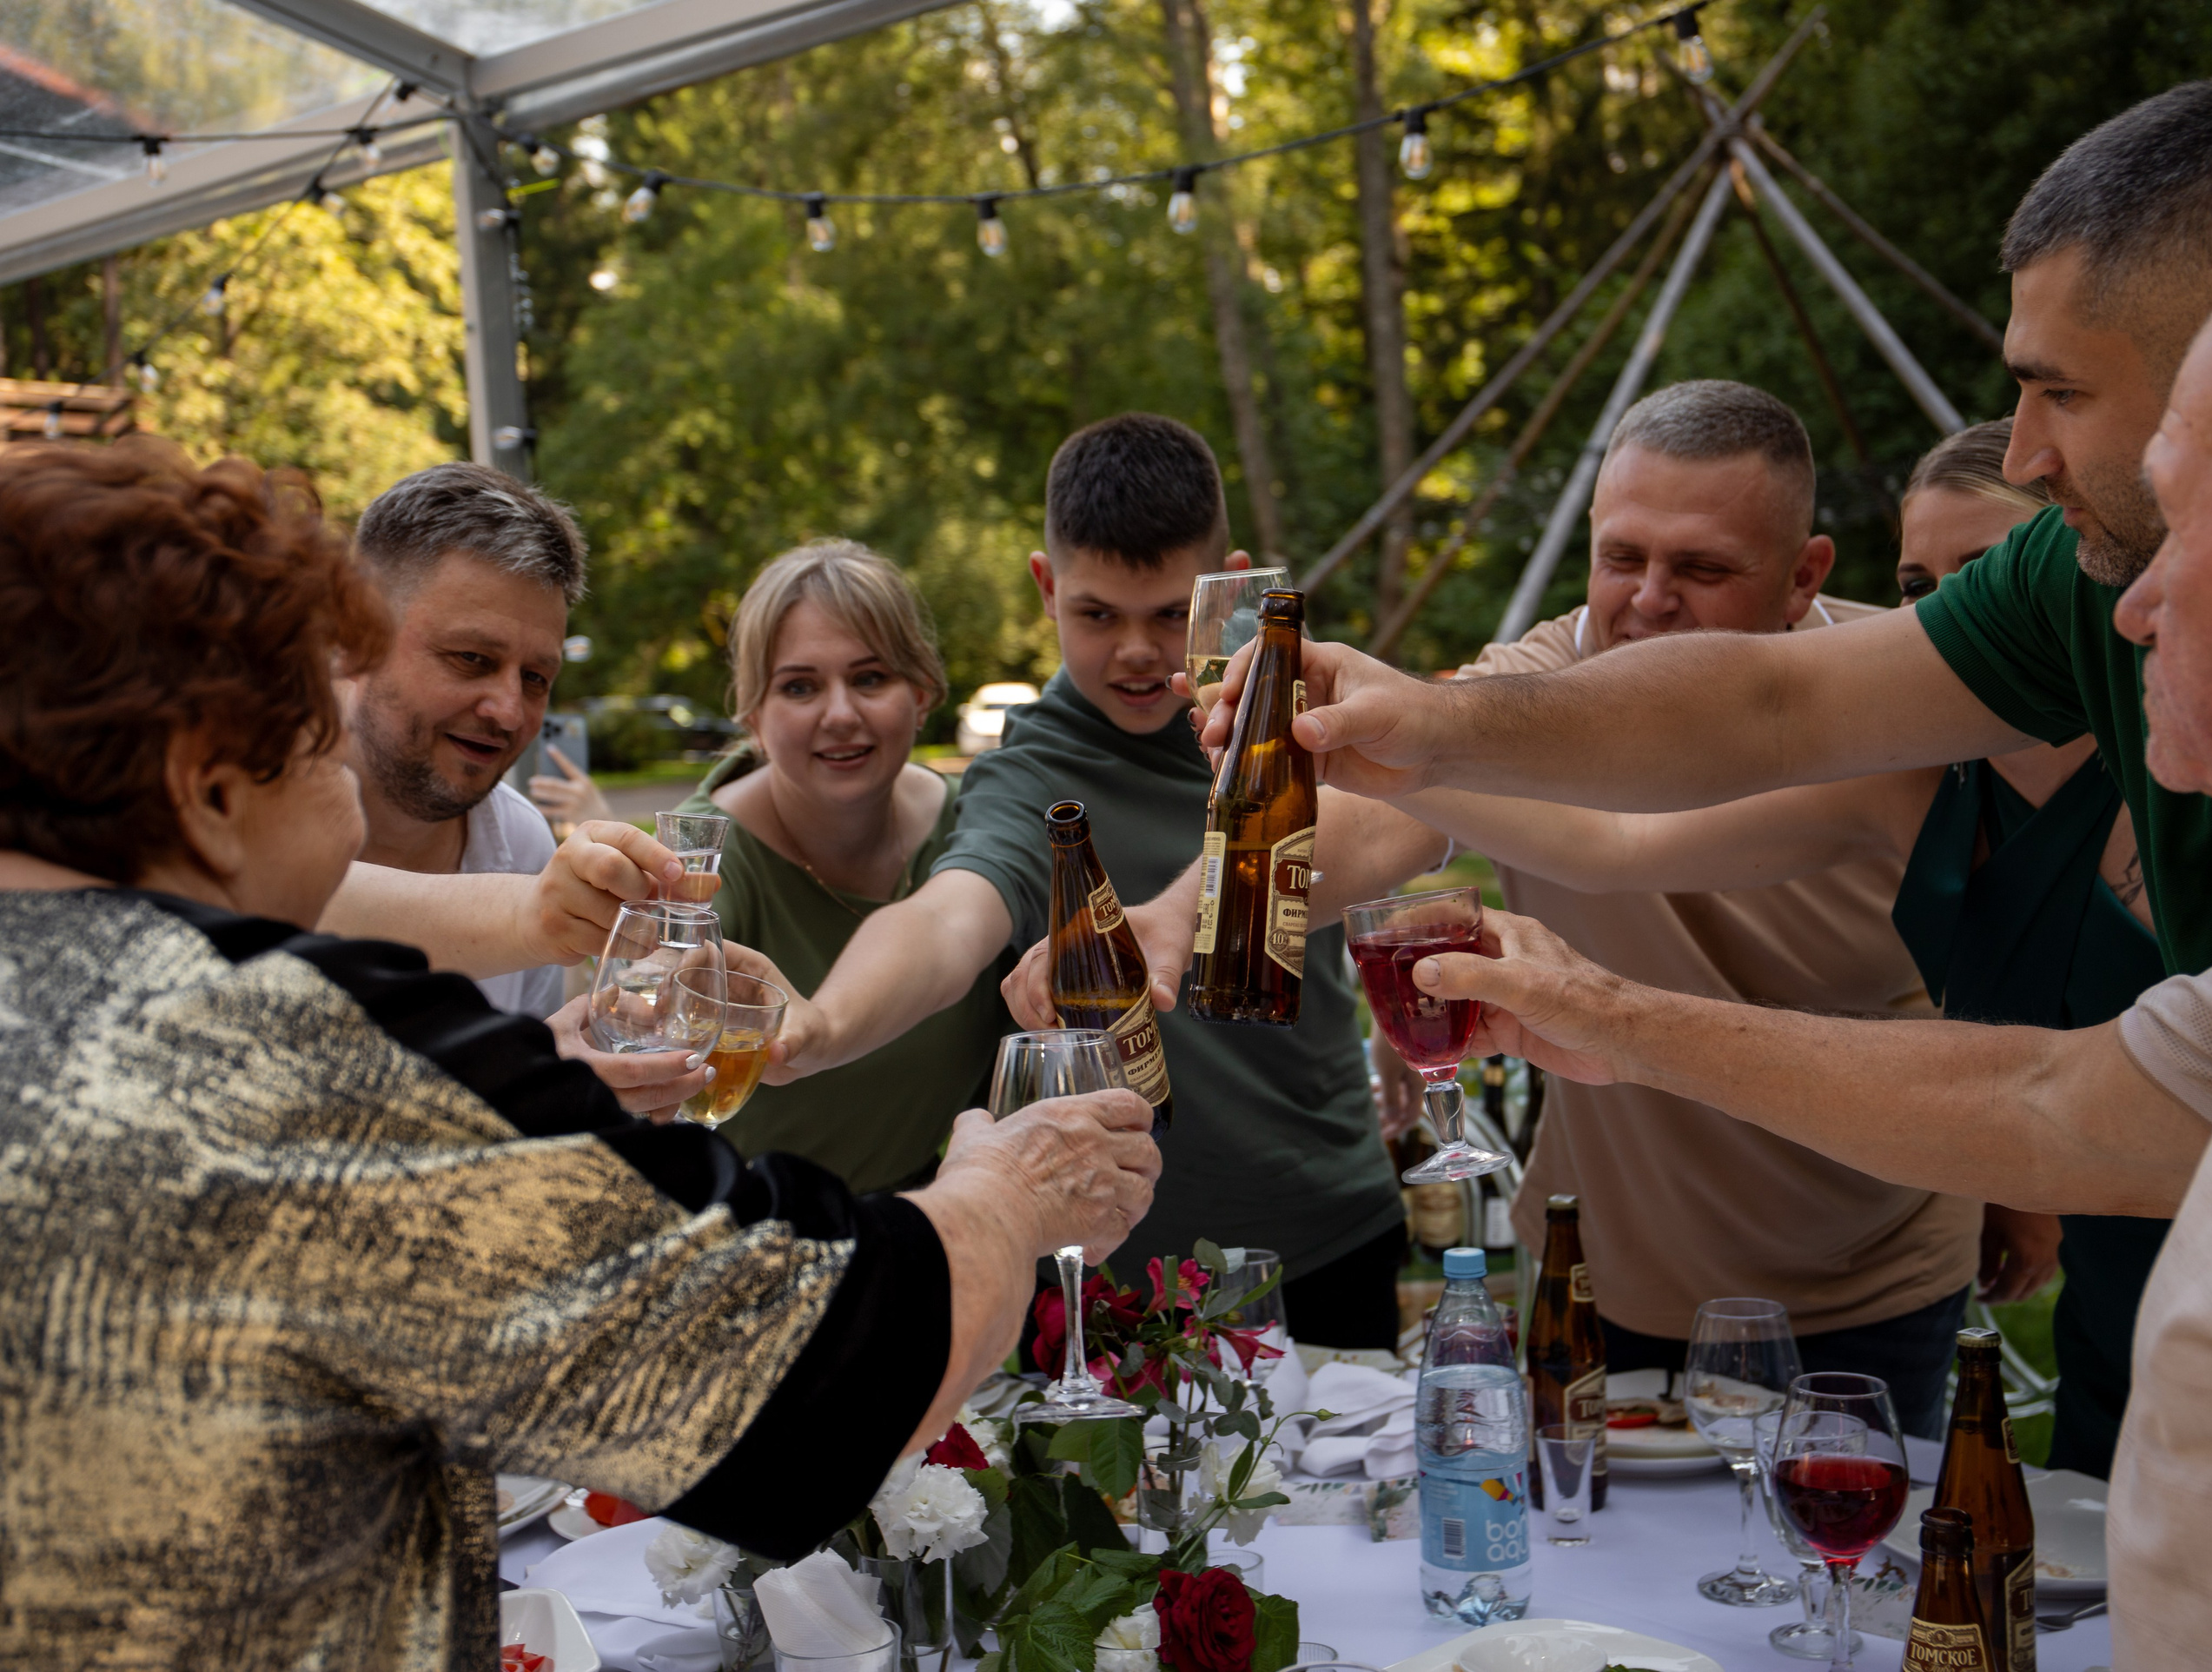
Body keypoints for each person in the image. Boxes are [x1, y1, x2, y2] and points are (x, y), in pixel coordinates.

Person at [0, 438, 1161, 1666]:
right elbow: (800, 1384)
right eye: (306, 726)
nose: (340, 770)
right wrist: (1007, 1196)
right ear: (204, 786)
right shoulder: (288, 1051)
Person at [1375, 293, 2212, 1664]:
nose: (2023, 451)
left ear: (1799, 577)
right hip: (2091, 1307)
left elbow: (2065, 1097)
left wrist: (1434, 759)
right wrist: (1396, 751)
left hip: (1892, 1274)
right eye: (1919, 591)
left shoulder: (2106, 736)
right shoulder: (1889, 771)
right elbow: (1610, 831)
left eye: (2056, 398)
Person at [1210, 78, 2212, 992]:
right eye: (1622, 556)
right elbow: (1757, 711)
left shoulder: (1964, 715)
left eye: (2063, 391)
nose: (2023, 453)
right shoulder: (2066, 585)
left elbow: (2101, 1107)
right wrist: (1427, 735)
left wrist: (1613, 1024)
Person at [752, 415, 1446, 1346]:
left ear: (1227, 582)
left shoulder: (1301, 714)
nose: (1135, 651)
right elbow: (948, 919)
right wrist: (822, 1023)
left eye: (1168, 613)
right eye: (1096, 614)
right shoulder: (1028, 776)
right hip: (1121, 1276)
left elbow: (1416, 824)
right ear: (1045, 588)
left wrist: (1392, 999)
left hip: (1331, 1225)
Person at [1376, 379, 1987, 1436]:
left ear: (1804, 577)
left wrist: (2018, 1182)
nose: (1649, 599)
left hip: (1866, 1282)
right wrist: (1172, 916)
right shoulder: (1542, 682)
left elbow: (2010, 956)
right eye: (1622, 558)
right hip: (1604, 1276)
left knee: (1857, 1583)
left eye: (1701, 568)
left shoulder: (1903, 696)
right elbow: (1377, 830)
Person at [671, 540, 1010, 1193]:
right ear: (754, 717)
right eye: (799, 686)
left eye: (870, 678)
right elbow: (650, 1003)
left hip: (918, 1223)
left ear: (923, 691)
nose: (841, 714)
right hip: (745, 1236)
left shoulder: (975, 827)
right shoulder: (708, 856)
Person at [344, 461, 591, 1018]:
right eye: (471, 659)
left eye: (536, 678)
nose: (508, 712)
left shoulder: (524, 846)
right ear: (356, 629)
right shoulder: (233, 801)